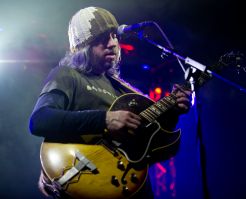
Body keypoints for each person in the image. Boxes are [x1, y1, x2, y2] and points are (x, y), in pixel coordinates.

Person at [29, 6, 191, 199]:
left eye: (114, 36)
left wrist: (173, 112)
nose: (112, 43)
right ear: (83, 46)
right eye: (102, 38)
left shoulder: (122, 87)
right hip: (90, 178)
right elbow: (40, 120)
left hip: (134, 187)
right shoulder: (67, 75)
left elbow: (152, 143)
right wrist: (105, 120)